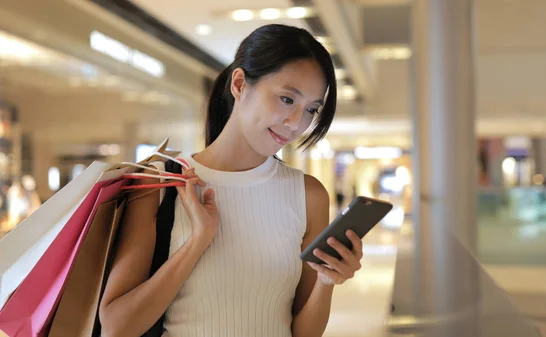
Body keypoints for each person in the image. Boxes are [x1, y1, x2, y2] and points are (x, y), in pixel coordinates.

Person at [98, 24, 365, 337]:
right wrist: (198, 241)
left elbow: (302, 333)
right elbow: (117, 327)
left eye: (311, 109)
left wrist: (326, 281)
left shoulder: (308, 195)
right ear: (239, 84)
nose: (296, 124)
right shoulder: (162, 183)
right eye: (286, 99)